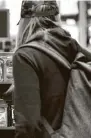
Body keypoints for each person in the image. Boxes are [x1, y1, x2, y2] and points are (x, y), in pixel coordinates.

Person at [12, 1, 79, 138]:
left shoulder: (26, 55)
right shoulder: (76, 49)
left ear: (25, 21)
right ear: (57, 18)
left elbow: (29, 124)